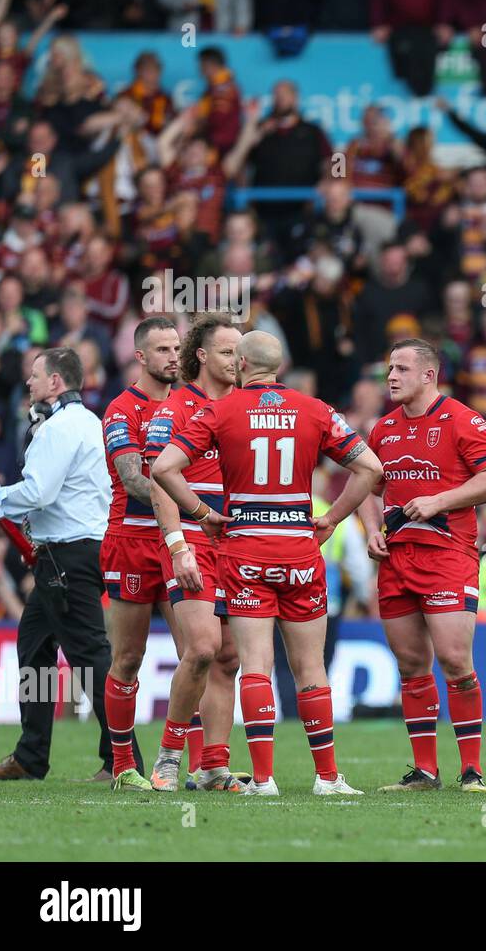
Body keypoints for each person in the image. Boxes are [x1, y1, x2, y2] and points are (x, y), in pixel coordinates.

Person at [151, 331, 383, 797]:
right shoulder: (315, 409)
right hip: (299, 548)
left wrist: (203, 515)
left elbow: (161, 469)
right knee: (310, 668)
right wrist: (332, 520)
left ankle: (263, 780)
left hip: (245, 548)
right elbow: (372, 470)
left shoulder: (219, 410)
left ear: (239, 364)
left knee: (254, 666)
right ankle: (328, 778)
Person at [363, 339, 486, 793]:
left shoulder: (462, 420)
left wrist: (439, 501)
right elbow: (368, 488)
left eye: (402, 368)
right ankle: (425, 771)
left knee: (453, 659)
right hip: (396, 558)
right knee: (411, 665)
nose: (391, 376)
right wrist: (372, 528)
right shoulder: (382, 430)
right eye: (389, 368)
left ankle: (472, 770)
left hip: (449, 555)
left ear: (428, 375)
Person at [0, 348, 130, 782]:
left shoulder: (60, 429)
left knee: (91, 658)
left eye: (35, 376)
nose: (28, 383)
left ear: (55, 382)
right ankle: (31, 756)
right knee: (34, 650)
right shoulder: (88, 423)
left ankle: (122, 760)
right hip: (72, 554)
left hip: (66, 556)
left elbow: (38, 493)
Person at [143, 314, 245, 792]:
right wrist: (177, 545)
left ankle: (213, 767)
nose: (237, 361)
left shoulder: (245, 407)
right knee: (203, 647)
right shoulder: (175, 408)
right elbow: (160, 479)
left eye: (240, 353)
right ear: (201, 357)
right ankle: (168, 756)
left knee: (227, 658)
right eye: (227, 352)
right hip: (192, 538)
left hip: (237, 542)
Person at [98, 316, 181, 791]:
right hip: (131, 542)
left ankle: (190, 761)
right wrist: (194, 504)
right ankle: (124, 765)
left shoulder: (192, 405)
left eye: (177, 347)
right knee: (128, 657)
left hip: (178, 543)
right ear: (141, 357)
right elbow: (132, 478)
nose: (174, 356)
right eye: (164, 349)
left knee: (199, 653)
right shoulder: (121, 410)